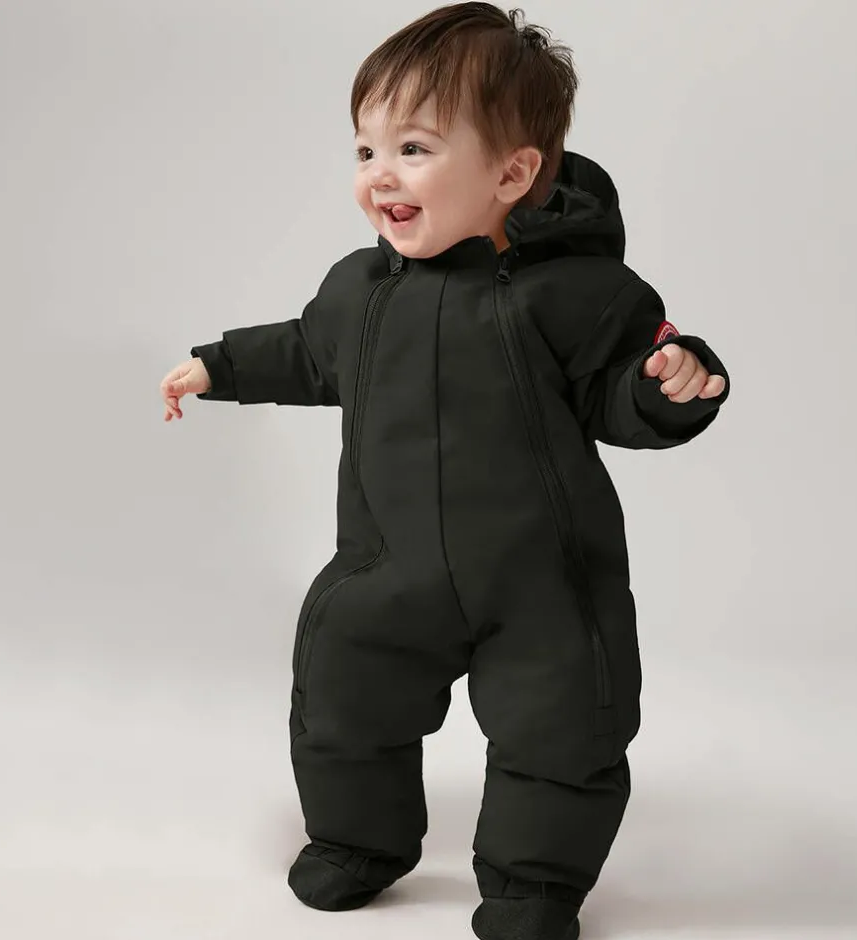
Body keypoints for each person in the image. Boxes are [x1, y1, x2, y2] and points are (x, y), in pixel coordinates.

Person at [159, 4, 730, 938]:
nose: (379, 174)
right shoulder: (361, 290)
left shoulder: (576, 293)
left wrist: (671, 386)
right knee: (341, 697)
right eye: (365, 150)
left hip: (541, 580)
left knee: (563, 727)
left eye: (414, 148)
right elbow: (308, 350)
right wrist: (218, 365)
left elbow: (622, 390)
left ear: (512, 174)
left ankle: (534, 882)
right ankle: (358, 841)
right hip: (389, 568)